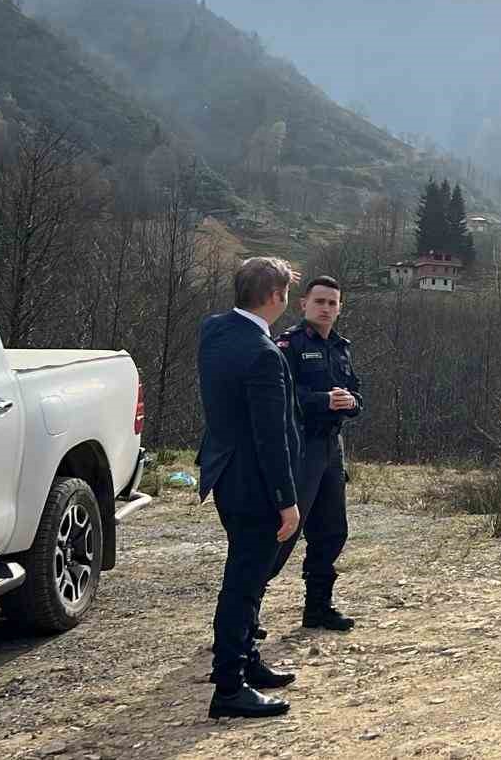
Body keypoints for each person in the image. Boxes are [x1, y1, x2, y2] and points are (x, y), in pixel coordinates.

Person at [196, 257, 303, 719]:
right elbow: (271, 436)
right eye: (286, 293)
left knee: (250, 575)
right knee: (243, 581)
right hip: (255, 483)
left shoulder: (214, 330)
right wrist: (287, 500)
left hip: (223, 470)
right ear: (276, 296)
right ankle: (229, 686)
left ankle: (249, 660)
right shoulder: (264, 353)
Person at [271, 275, 362, 631]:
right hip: (300, 446)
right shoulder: (288, 345)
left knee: (332, 530)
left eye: (332, 303)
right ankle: (247, 615)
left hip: (331, 447)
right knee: (283, 531)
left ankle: (318, 608)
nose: (326, 308)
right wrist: (323, 400)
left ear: (340, 308)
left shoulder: (341, 347)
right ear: (303, 304)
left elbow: (357, 395)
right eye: (319, 301)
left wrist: (350, 402)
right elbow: (280, 400)